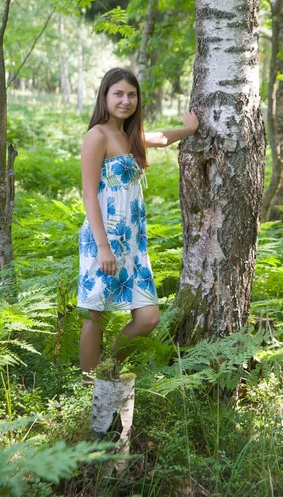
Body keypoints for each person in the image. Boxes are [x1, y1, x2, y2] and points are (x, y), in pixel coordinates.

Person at [77, 67, 199, 381]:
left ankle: (106, 368)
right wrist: (103, 247)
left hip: (132, 242)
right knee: (97, 315)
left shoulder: (128, 135)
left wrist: (189, 129)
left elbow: (159, 138)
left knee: (147, 317)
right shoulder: (98, 135)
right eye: (118, 93)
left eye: (132, 95)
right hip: (104, 239)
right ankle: (89, 387)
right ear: (105, 96)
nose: (126, 100)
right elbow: (89, 193)